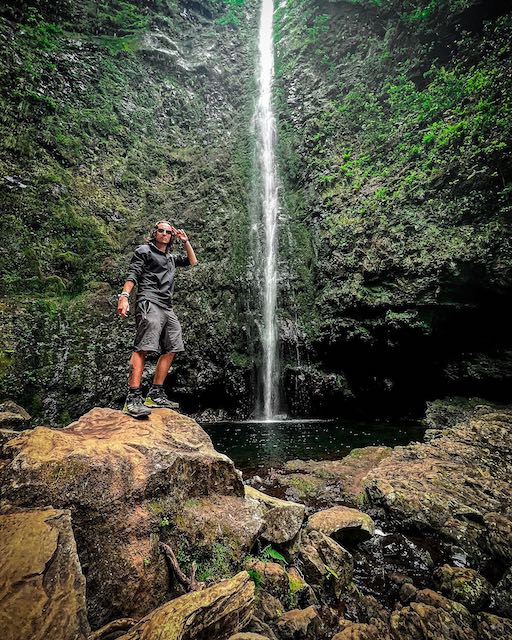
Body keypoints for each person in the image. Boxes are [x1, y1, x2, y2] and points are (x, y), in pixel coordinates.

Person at [117, 220, 198, 418]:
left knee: (173, 346)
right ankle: (133, 398)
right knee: (143, 347)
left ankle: (155, 394)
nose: (164, 234)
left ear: (171, 236)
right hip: (148, 301)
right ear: (154, 233)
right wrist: (124, 296)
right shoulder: (144, 250)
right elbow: (133, 273)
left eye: (168, 232)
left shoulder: (170, 258)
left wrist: (186, 242)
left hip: (166, 306)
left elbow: (192, 261)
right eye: (160, 230)